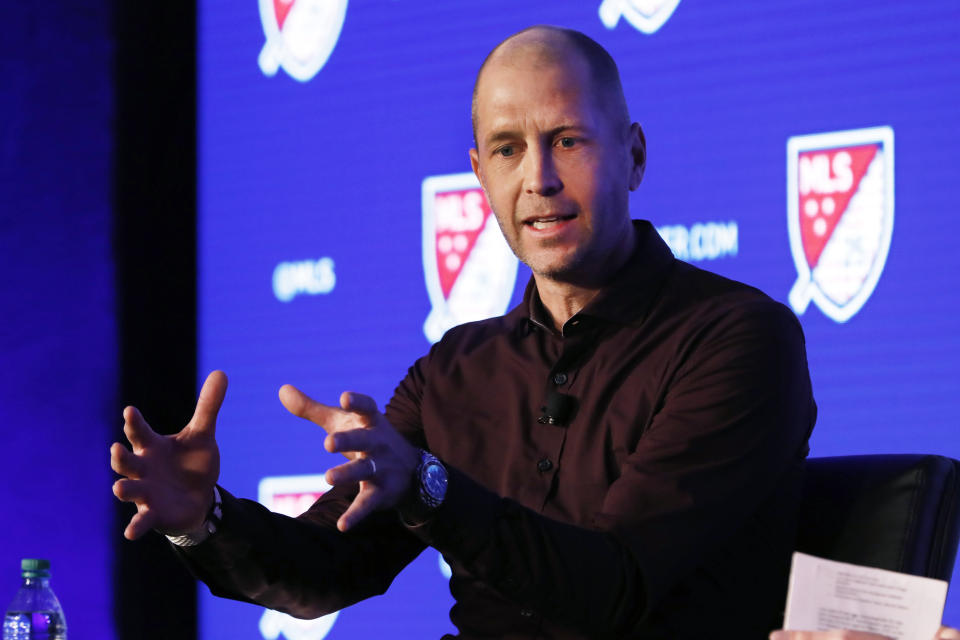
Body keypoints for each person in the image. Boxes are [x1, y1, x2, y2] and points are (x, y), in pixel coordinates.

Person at [112, 25, 829, 637]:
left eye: (569, 140)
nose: (539, 179)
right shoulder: (455, 370)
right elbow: (325, 569)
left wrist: (427, 486)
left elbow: (619, 590)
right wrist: (202, 518)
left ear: (634, 155)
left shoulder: (738, 338)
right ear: (479, 175)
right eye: (508, 149)